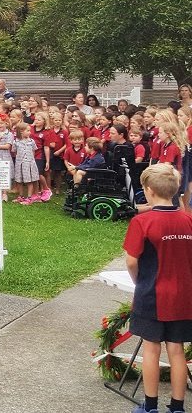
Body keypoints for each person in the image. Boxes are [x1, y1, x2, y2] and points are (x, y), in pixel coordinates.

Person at [123, 164, 192, 413]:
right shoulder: (188, 219)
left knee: (151, 348)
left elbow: (131, 260)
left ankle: (150, 406)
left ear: (149, 190)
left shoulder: (143, 221)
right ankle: (177, 407)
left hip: (152, 293)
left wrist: (138, 280)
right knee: (177, 350)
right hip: (184, 295)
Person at [11, 122, 40, 204]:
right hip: (19, 164)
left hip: (29, 163)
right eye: (28, 130)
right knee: (19, 180)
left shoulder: (31, 141)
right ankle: (21, 196)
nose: (30, 132)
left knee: (29, 180)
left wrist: (30, 160)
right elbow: (14, 151)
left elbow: (33, 151)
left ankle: (29, 197)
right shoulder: (16, 142)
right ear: (21, 131)